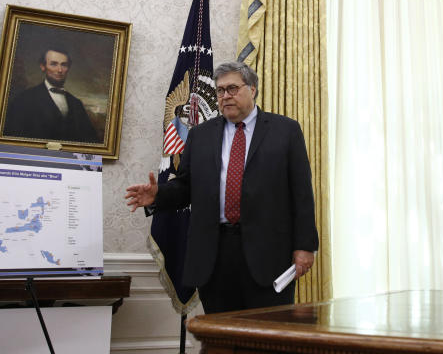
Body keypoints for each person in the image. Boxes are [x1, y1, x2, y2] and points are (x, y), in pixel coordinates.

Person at [125, 60, 318, 313]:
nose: (225, 96)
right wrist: (158, 195)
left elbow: (302, 194)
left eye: (233, 89)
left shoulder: (286, 131)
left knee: (266, 337)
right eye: (220, 90)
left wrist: (304, 246)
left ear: (253, 89)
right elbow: (186, 187)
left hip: (269, 256)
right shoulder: (200, 135)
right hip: (214, 256)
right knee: (220, 338)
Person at [4, 47, 100, 142]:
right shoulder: (24, 99)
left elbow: (91, 142)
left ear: (68, 68)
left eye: (64, 65)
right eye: (54, 64)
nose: (59, 70)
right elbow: (13, 139)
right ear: (43, 66)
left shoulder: (76, 104)